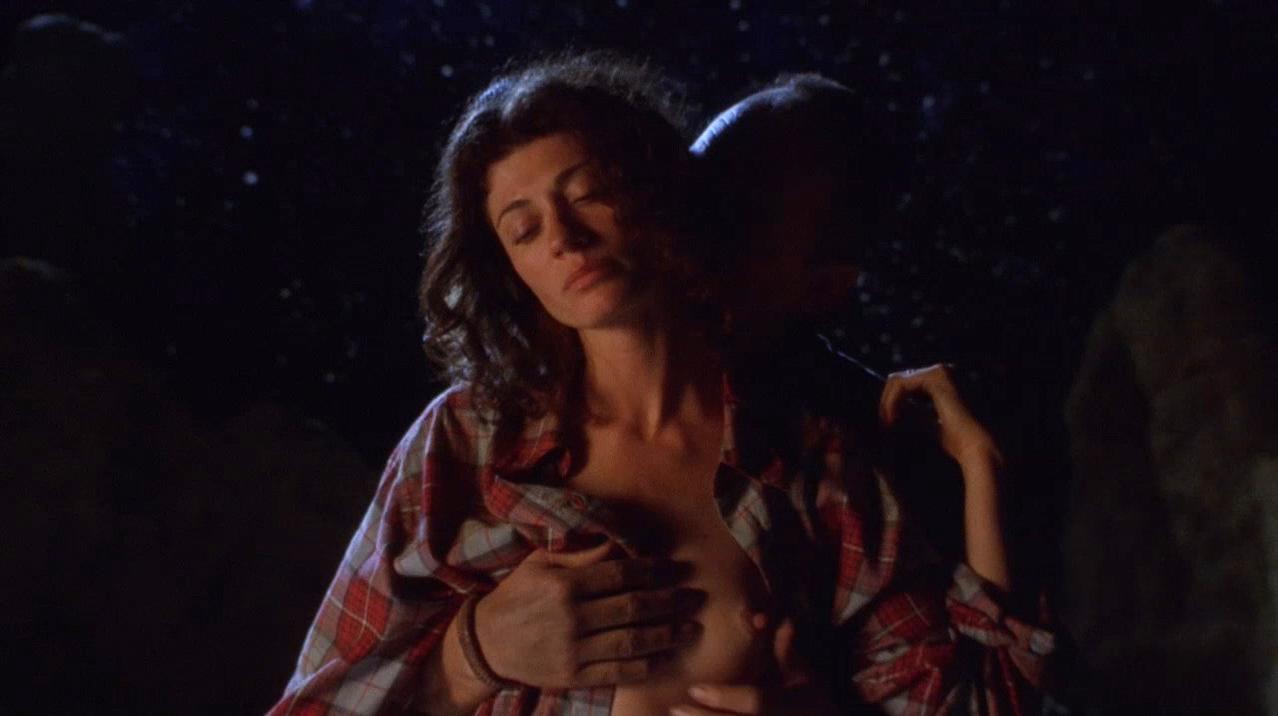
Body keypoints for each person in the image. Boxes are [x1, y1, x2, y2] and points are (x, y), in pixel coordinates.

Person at [270, 54, 1052, 716]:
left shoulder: (814, 468)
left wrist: (982, 469)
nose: (564, 238)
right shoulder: (465, 448)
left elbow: (969, 706)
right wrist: (470, 656)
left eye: (587, 193)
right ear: (510, 269)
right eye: (524, 228)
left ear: (657, 195)